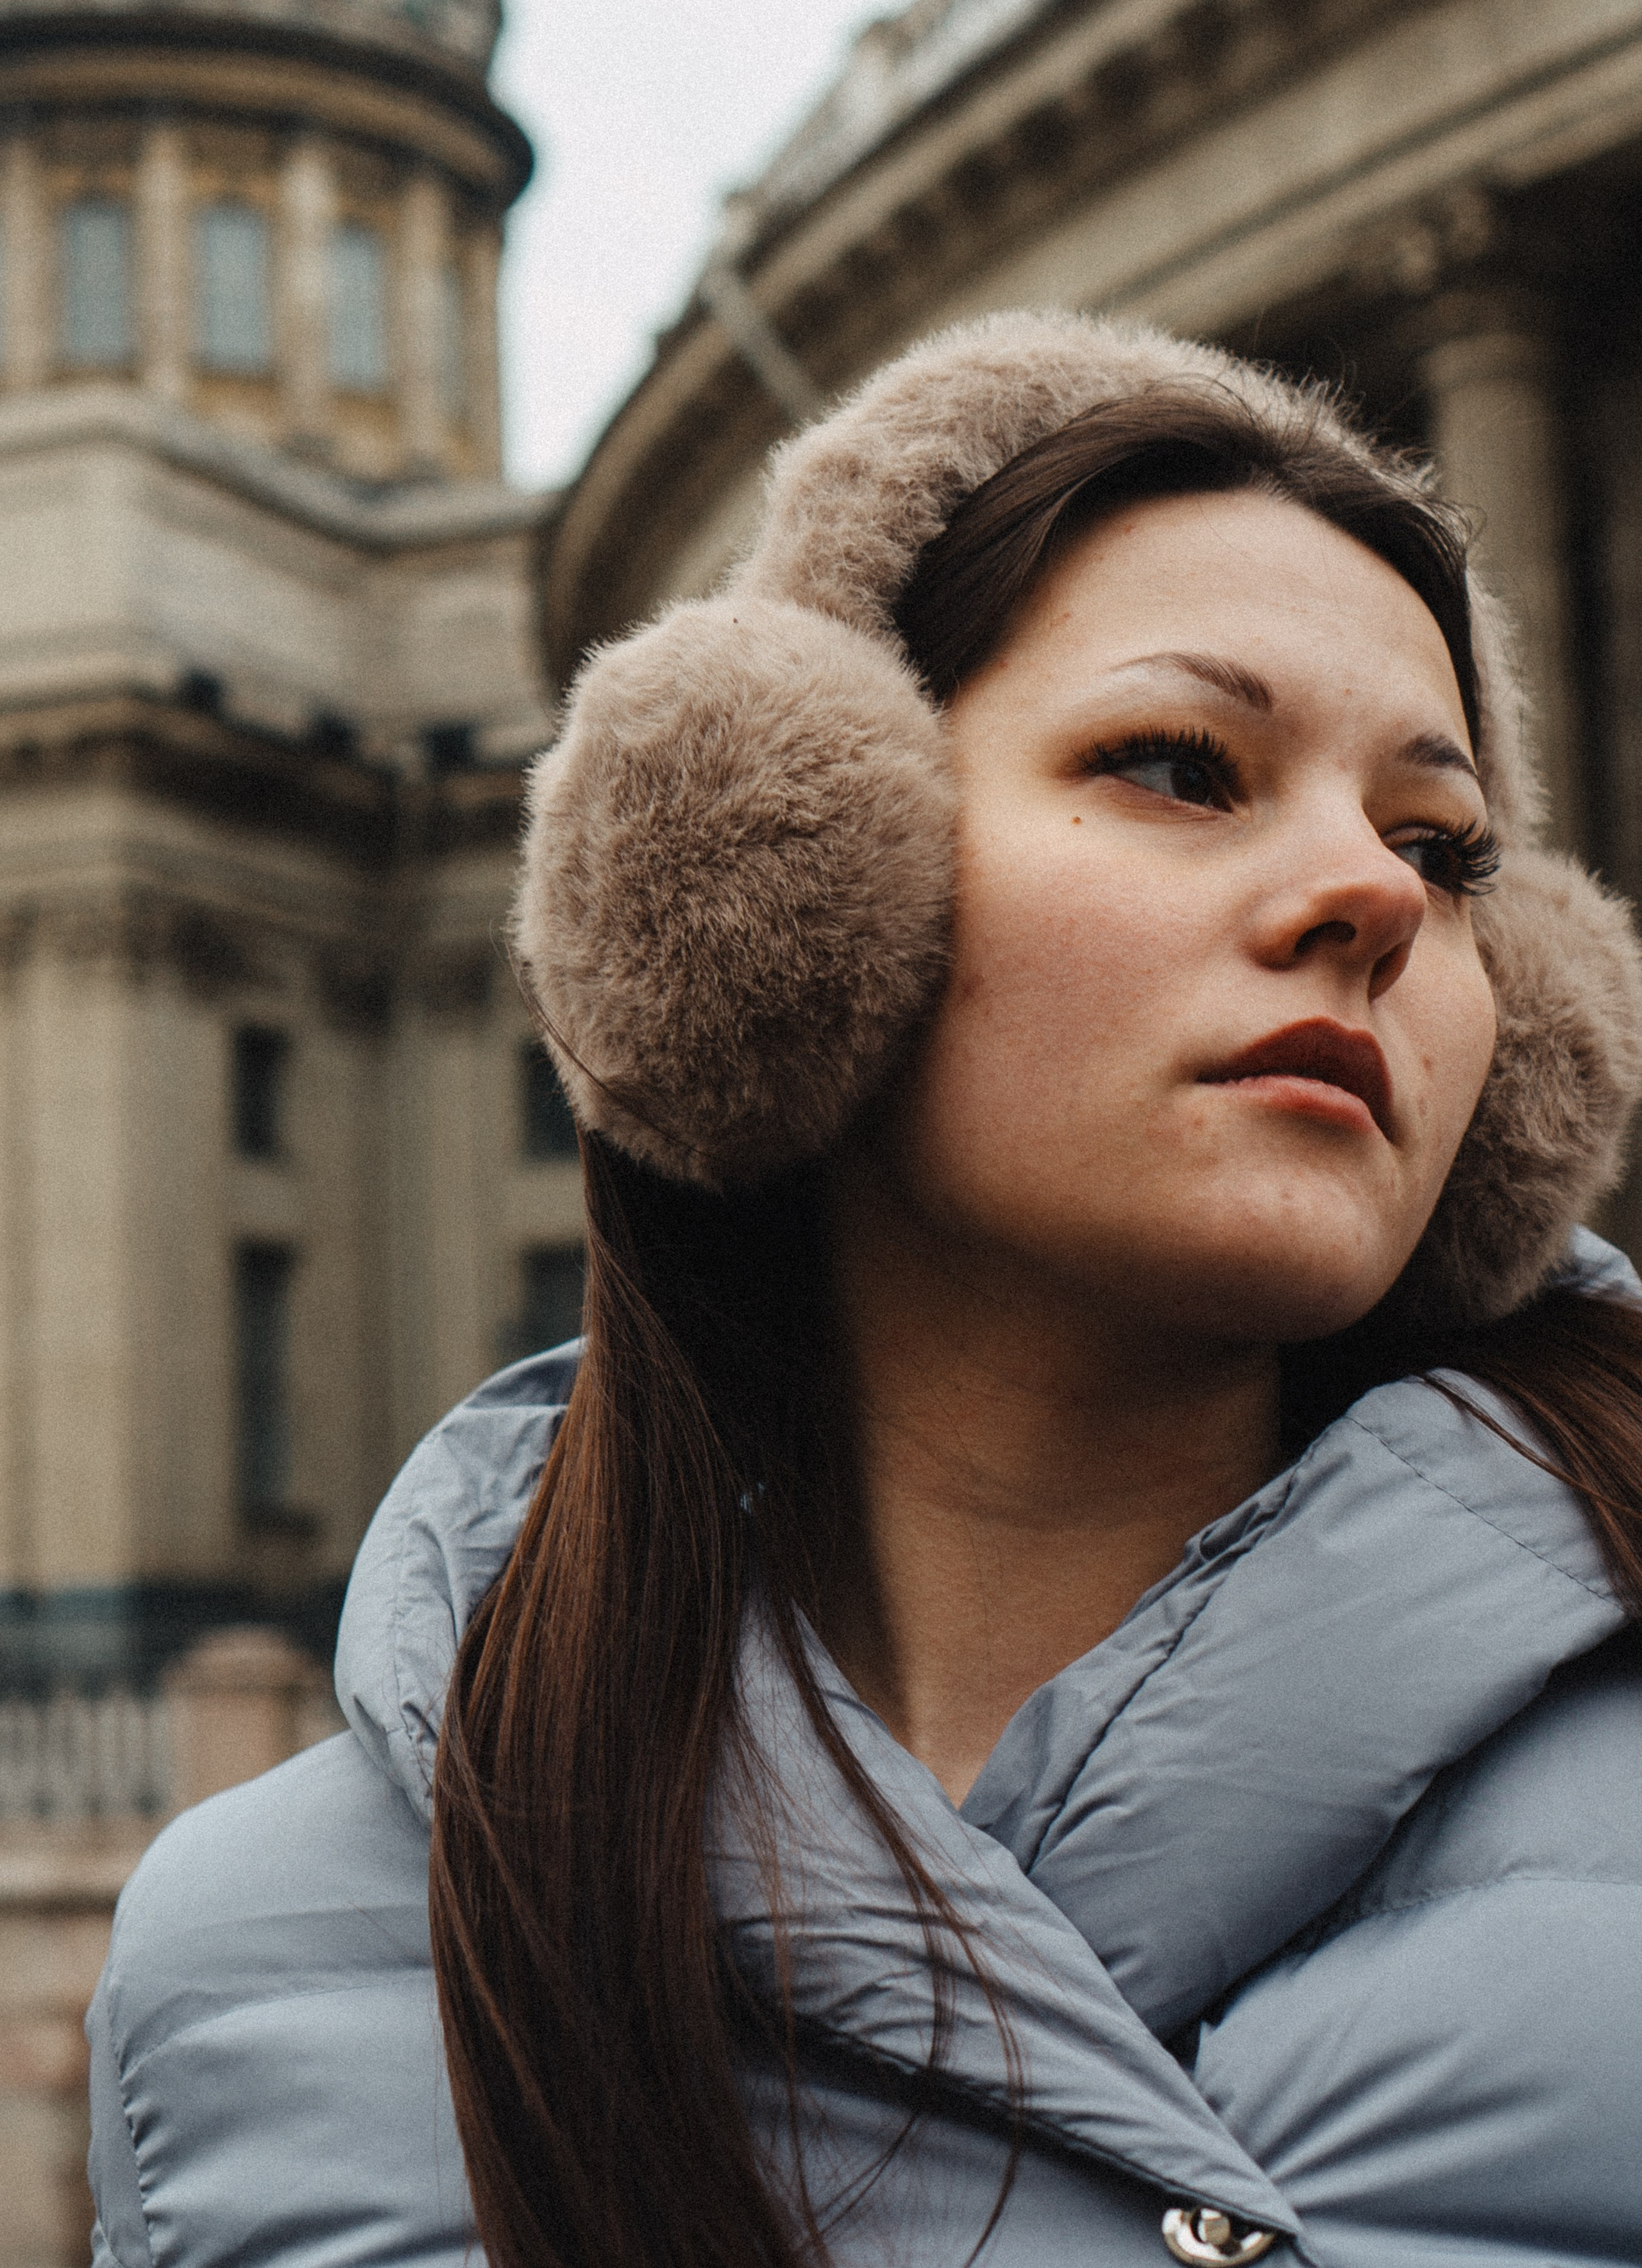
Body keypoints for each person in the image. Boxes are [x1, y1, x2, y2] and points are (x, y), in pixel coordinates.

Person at [88, 312, 1642, 2268]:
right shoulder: (246, 1980)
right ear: (787, 881)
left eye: (1444, 840)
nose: (1383, 895)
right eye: (1180, 765)